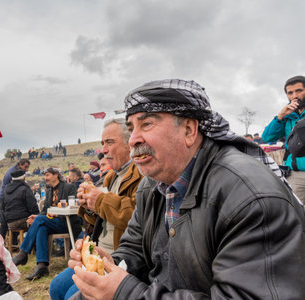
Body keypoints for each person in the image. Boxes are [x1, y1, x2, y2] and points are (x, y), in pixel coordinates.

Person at [69, 79, 304, 299]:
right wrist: (111, 264)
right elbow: (134, 248)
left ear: (190, 130)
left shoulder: (249, 196)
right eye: (132, 129)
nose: (133, 140)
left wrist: (126, 293)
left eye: (147, 124)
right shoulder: (152, 184)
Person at [50, 118, 142, 300]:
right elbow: (99, 220)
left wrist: (99, 201)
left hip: (121, 257)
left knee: (71, 295)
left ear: (129, 143)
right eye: (102, 143)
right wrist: (89, 207)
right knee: (56, 286)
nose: (104, 150)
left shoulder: (141, 174)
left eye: (110, 142)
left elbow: (136, 215)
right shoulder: (110, 177)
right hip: (99, 252)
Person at [12, 167, 81, 280]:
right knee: (41, 228)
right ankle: (42, 266)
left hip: (67, 223)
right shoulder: (49, 191)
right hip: (53, 224)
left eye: (48, 175)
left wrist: (57, 214)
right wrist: (37, 216)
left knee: (40, 222)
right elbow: (45, 211)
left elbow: (74, 207)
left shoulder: (69, 187)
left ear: (56, 175)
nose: (46, 178)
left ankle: (23, 253)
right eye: (45, 176)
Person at [262, 75, 305, 204]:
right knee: (296, 215)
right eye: (290, 93)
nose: (294, 95)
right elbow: (267, 137)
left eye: (299, 90)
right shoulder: (287, 116)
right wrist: (280, 116)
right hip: (295, 175)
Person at [0, 170, 39, 242]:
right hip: (22, 221)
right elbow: (33, 207)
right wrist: (37, 215)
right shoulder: (25, 189)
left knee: (18, 218)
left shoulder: (6, 189)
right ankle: (34, 246)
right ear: (24, 178)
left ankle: (14, 243)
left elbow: (2, 206)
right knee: (38, 222)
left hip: (9, 222)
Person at [0, 159, 31, 237]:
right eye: (25, 167)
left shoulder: (17, 171)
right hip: (3, 197)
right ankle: (0, 240)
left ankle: (12, 242)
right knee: (6, 219)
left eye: (28, 167)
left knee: (12, 218)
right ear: (19, 164)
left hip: (6, 196)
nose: (26, 169)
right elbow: (14, 187)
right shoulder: (12, 173)